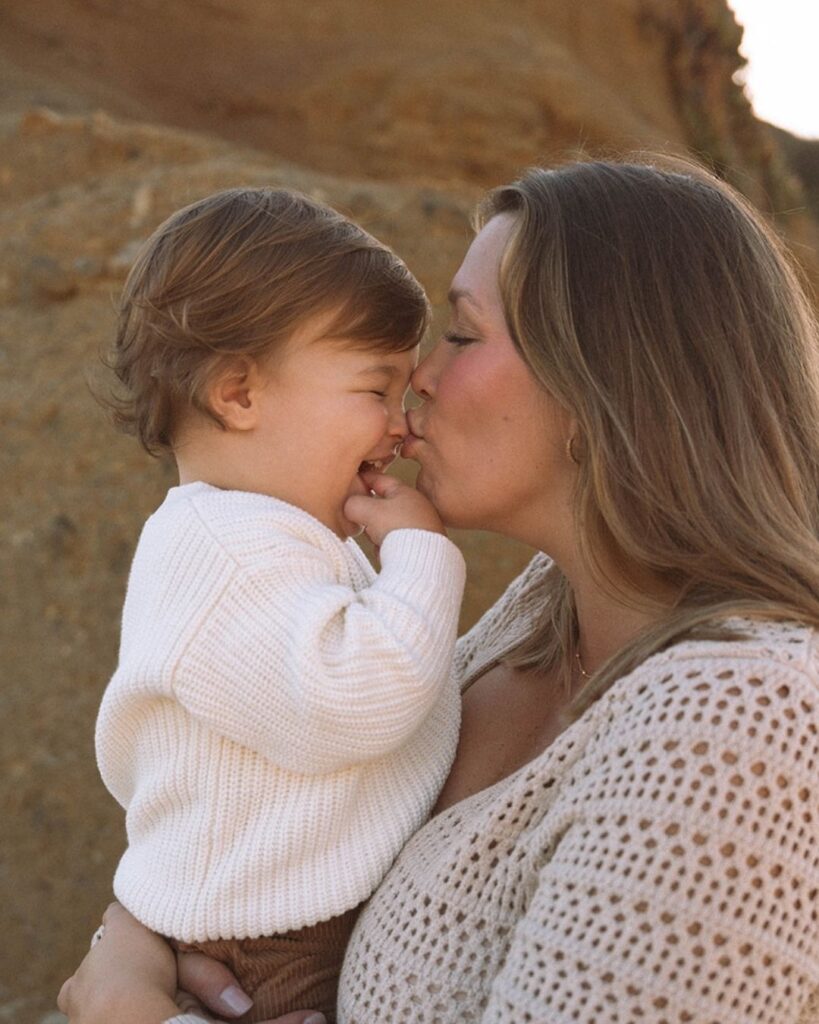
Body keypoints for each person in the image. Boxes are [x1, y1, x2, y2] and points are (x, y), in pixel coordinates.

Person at [60, 157, 819, 1024]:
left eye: (460, 335)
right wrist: (133, 937)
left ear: (605, 376)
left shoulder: (739, 723)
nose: (417, 380)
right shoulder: (541, 614)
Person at [89, 188, 467, 1024]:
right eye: (376, 389)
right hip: (271, 947)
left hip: (288, 919)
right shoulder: (225, 550)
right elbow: (355, 698)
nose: (401, 428)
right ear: (238, 394)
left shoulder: (265, 536)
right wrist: (421, 551)